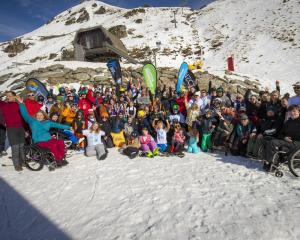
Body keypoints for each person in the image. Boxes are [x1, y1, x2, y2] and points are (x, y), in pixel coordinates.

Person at [17, 96, 70, 167]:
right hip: (39, 142)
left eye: (41, 115)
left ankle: (61, 157)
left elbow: (58, 125)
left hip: (49, 139)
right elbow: (25, 114)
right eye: (37, 115)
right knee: (53, 145)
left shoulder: (47, 122)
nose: (39, 116)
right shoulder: (32, 121)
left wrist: (69, 127)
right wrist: (21, 104)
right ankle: (57, 160)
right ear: (35, 116)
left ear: (44, 116)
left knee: (60, 142)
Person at [264, 105, 300, 170]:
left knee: (273, 143)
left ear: (299, 112)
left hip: (297, 144)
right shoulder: (288, 122)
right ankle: (271, 161)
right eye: (290, 111)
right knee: (267, 139)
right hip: (288, 142)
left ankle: (274, 164)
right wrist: (284, 137)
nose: (292, 113)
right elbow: (280, 133)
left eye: (294, 111)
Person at [0, 92, 25, 171]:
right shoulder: (4, 106)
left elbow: (24, 115)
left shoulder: (19, 105)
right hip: (11, 128)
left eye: (10, 96)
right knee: (15, 147)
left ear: (15, 96)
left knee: (21, 145)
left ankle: (23, 161)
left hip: (21, 128)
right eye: (7, 96)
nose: (8, 97)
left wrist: (21, 103)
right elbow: (1, 118)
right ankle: (17, 164)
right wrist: (5, 124)